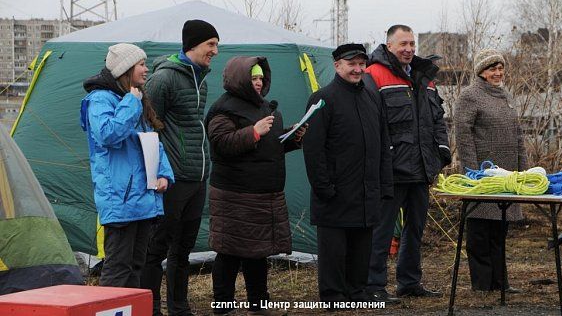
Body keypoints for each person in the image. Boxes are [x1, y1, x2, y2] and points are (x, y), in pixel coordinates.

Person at [206, 56, 305, 316]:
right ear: (240, 79)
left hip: (264, 195)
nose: (259, 82)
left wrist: (293, 138)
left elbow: (269, 147)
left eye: (261, 77)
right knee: (229, 254)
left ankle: (259, 304)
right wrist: (254, 131)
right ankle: (223, 306)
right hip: (234, 195)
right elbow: (221, 143)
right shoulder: (223, 109)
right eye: (253, 78)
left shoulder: (264, 107)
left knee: (258, 254)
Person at [302, 43, 393, 308]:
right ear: (337, 65)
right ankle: (333, 297)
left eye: (361, 64)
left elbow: (383, 144)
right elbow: (313, 150)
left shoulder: (372, 98)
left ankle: (357, 293)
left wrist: (383, 186)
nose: (357, 69)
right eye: (351, 64)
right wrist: (325, 189)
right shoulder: (322, 99)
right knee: (334, 252)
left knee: (361, 249)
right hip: (335, 195)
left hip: (366, 193)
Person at [366, 25, 451, 302]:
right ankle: (374, 286)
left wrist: (441, 153)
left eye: (412, 44)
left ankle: (409, 282)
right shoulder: (374, 75)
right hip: (391, 171)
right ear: (389, 45)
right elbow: (370, 125)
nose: (409, 49)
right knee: (382, 231)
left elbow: (437, 119)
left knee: (415, 230)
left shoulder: (424, 77)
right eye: (403, 44)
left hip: (422, 169)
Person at [141, 20, 219, 316]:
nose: (215, 50)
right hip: (172, 178)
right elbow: (148, 128)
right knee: (157, 248)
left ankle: (179, 307)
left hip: (198, 177)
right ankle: (150, 308)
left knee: (183, 250)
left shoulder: (202, 79)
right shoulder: (164, 79)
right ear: (193, 45)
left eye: (216, 44)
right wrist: (157, 174)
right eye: (210, 44)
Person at [80, 43, 174, 288]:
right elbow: (107, 134)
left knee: (136, 267)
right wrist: (131, 103)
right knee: (118, 268)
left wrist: (163, 174)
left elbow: (152, 141)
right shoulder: (100, 100)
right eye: (141, 65)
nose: (146, 70)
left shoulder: (133, 98)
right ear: (125, 69)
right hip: (119, 199)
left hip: (142, 199)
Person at [455, 48, 526, 293]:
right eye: (492, 69)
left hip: (506, 177)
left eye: (500, 68)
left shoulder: (505, 95)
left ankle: (500, 283)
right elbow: (463, 135)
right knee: (479, 233)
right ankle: (482, 285)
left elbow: (518, 135)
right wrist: (473, 173)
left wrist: (523, 171)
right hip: (483, 176)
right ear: (481, 72)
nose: (498, 73)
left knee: (499, 231)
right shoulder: (470, 96)